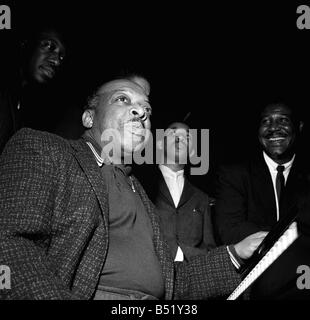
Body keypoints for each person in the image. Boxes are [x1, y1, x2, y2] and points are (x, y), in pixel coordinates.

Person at [0, 75, 266, 300]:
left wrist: (235, 253)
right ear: (89, 117)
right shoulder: (45, 150)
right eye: (122, 100)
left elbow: (172, 282)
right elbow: (9, 245)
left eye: (147, 110)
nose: (141, 113)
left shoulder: (139, 191)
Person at [214, 101, 310, 298]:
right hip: (251, 285)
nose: (274, 128)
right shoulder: (234, 174)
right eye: (266, 121)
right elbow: (230, 229)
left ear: (298, 127)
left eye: (283, 120)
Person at [142, 121, 216, 262]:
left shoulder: (202, 198)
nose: (180, 138)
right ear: (159, 144)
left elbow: (209, 247)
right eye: (173, 133)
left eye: (187, 137)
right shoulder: (141, 184)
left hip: (191, 276)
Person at [0, 27, 66, 153]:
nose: (56, 61)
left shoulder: (25, 108)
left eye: (61, 57)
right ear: (26, 44)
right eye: (49, 46)